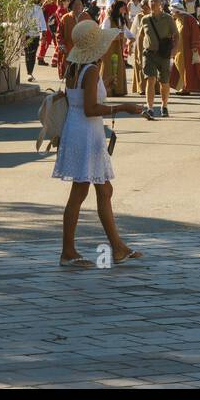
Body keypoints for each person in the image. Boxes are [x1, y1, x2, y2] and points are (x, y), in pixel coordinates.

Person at [53, 19, 144, 267]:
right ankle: (68, 251)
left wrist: (106, 86)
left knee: (102, 190)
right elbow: (91, 108)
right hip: (85, 133)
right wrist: (123, 107)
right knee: (81, 191)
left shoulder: (75, 67)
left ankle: (117, 247)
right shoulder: (90, 70)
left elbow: (81, 99)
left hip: (79, 130)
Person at [140, 0, 179, 119]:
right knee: (150, 79)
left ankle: (164, 105)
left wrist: (174, 50)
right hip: (149, 54)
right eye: (151, 2)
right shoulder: (145, 19)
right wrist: (138, 51)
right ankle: (150, 108)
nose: (153, 4)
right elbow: (141, 35)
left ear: (160, 4)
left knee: (164, 82)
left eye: (156, 1)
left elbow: (176, 35)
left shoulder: (168, 18)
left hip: (164, 54)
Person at [169, 0, 200, 95]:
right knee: (179, 68)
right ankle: (182, 86)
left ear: (177, 12)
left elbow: (195, 33)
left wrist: (194, 47)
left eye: (173, 12)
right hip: (179, 50)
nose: (171, 14)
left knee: (187, 69)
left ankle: (186, 87)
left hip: (188, 50)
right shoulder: (177, 20)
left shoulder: (190, 19)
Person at [101, 0, 130, 97]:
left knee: (118, 67)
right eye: (123, 7)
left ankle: (118, 90)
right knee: (108, 67)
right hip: (109, 46)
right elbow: (104, 32)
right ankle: (106, 91)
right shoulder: (108, 19)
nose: (125, 9)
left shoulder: (121, 19)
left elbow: (125, 30)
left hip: (118, 47)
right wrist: (115, 36)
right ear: (118, 8)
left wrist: (132, 37)